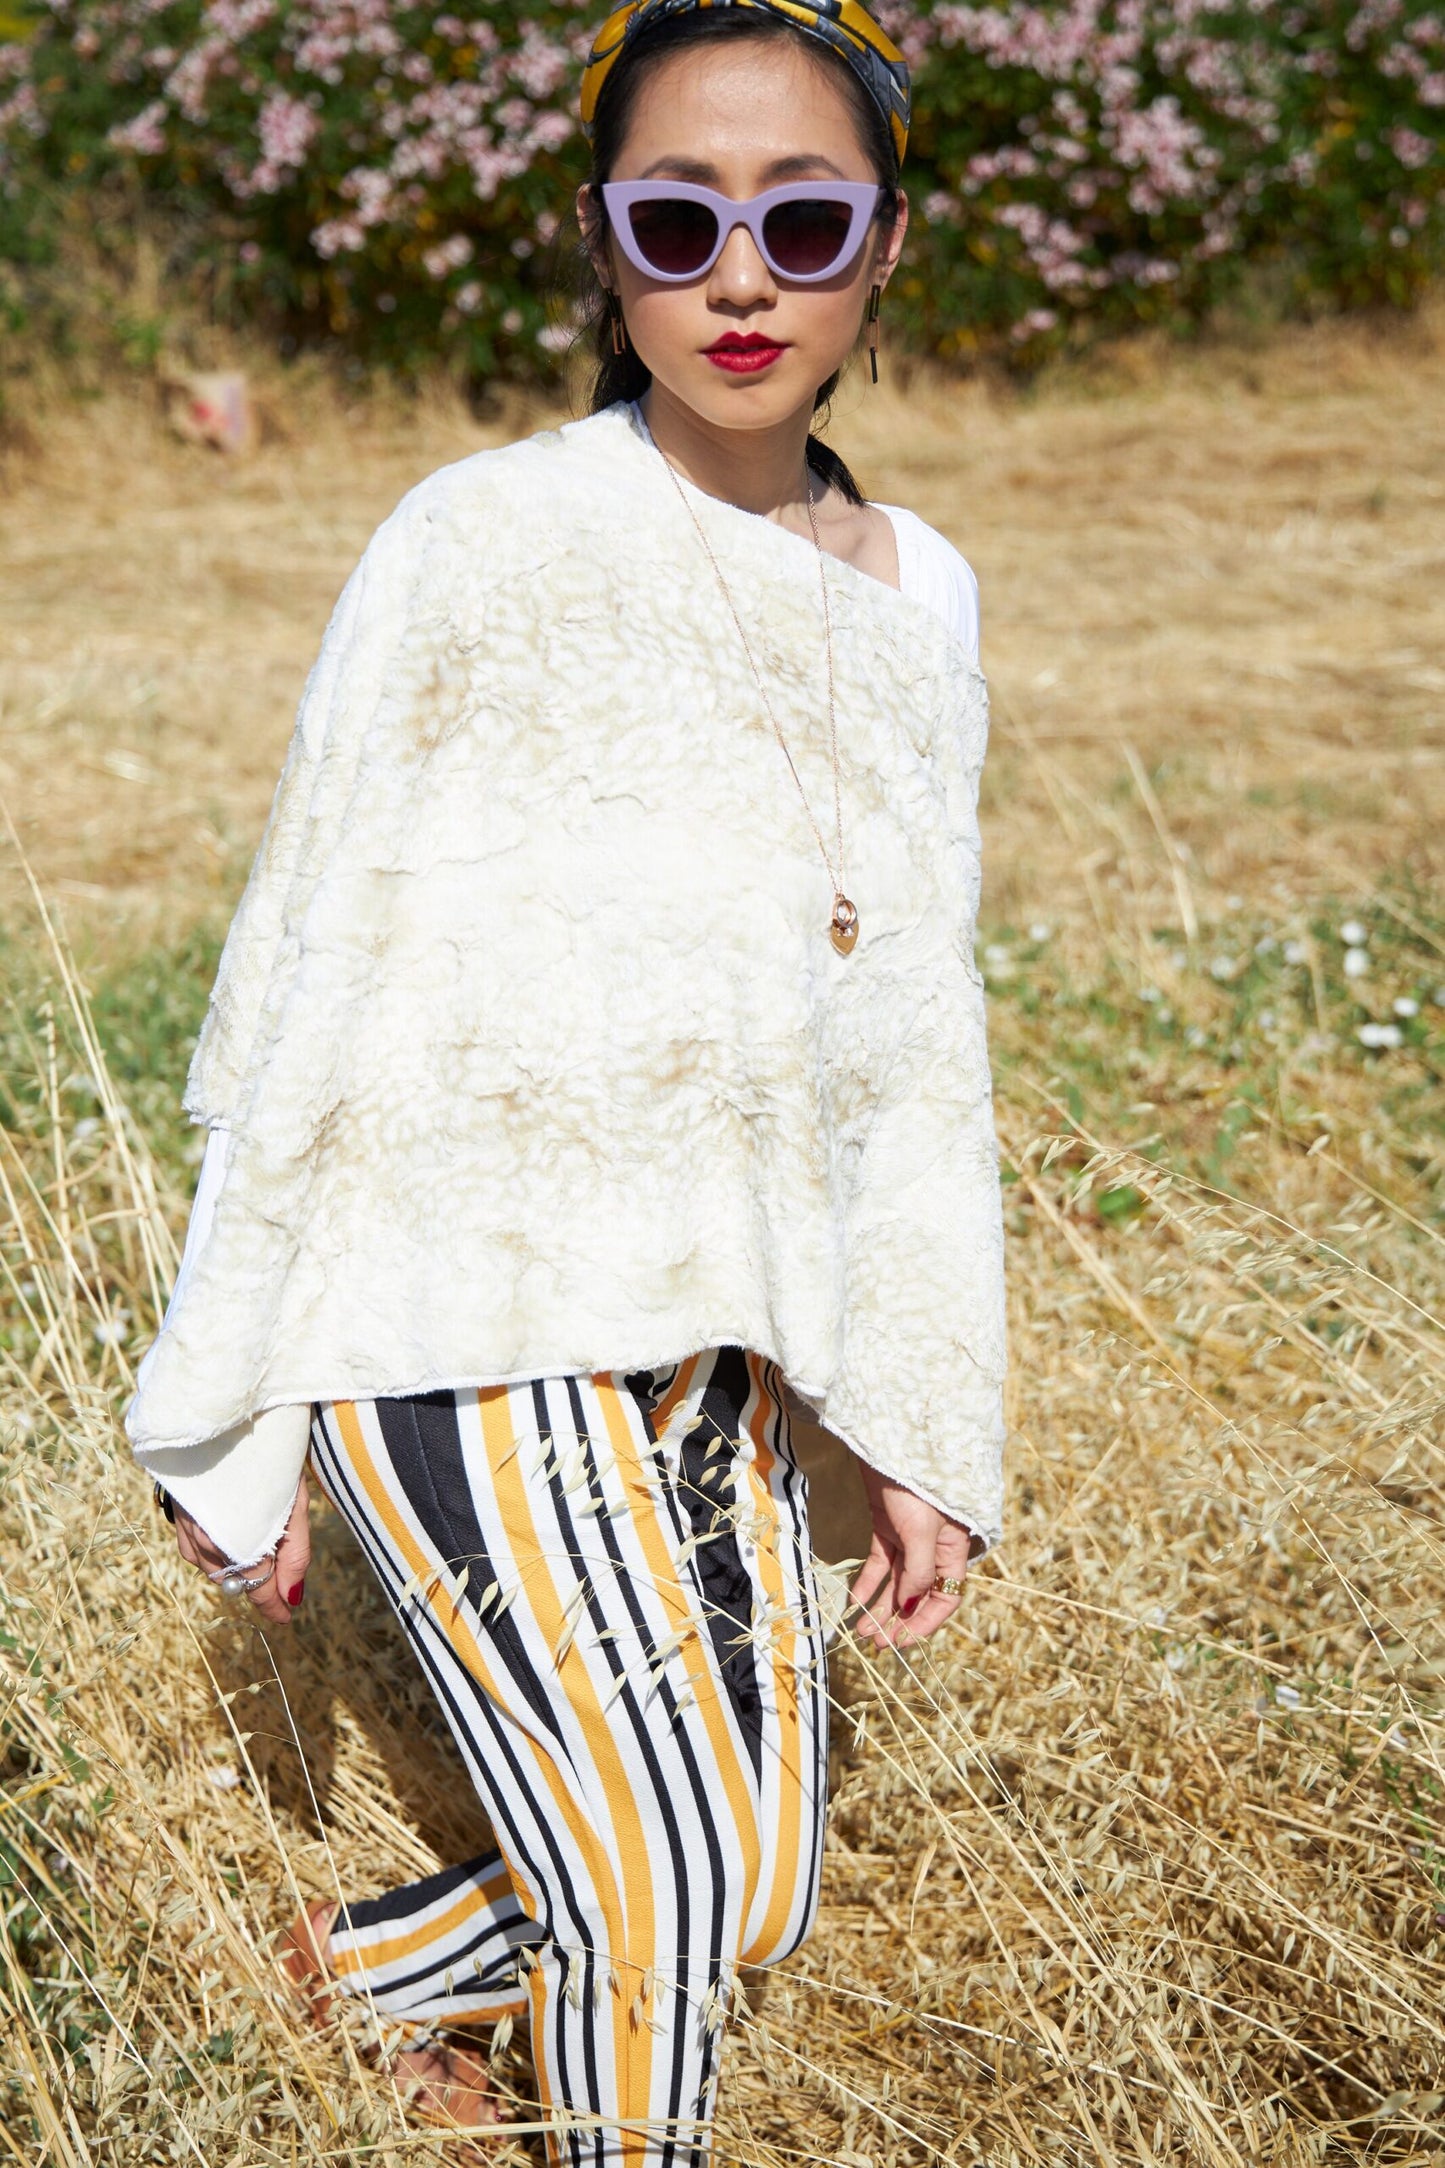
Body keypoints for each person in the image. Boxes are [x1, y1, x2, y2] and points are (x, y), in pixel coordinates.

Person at [128, 0, 1008, 2157]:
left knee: (762, 1881)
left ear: (884, 250)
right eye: (677, 216)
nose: (740, 275)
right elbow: (316, 949)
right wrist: (233, 1393)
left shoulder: (921, 594)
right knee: (663, 1881)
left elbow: (908, 1033)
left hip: (721, 1347)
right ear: (599, 245)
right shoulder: (480, 537)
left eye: (805, 221)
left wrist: (918, 1407)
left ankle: (357, 1974)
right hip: (457, 1307)